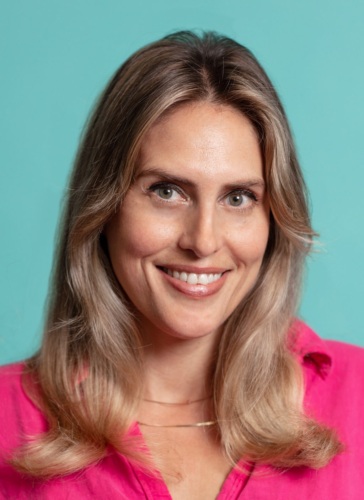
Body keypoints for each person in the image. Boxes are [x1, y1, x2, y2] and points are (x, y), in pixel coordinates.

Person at [1, 31, 363, 499]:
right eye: (167, 191)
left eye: (238, 197)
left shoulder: (357, 397)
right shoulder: (7, 419)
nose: (203, 240)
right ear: (104, 207)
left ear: (273, 218)